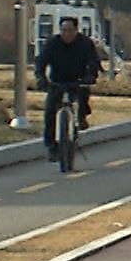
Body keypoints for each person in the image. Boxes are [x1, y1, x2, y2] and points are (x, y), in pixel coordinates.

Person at [34, 15, 103, 163]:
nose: (67, 33)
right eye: (63, 30)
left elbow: (93, 62)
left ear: (76, 30)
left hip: (78, 81)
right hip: (57, 82)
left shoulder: (85, 43)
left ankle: (81, 117)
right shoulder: (52, 43)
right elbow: (41, 62)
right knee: (50, 112)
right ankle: (52, 147)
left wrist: (91, 76)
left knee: (83, 97)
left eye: (70, 30)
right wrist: (41, 78)